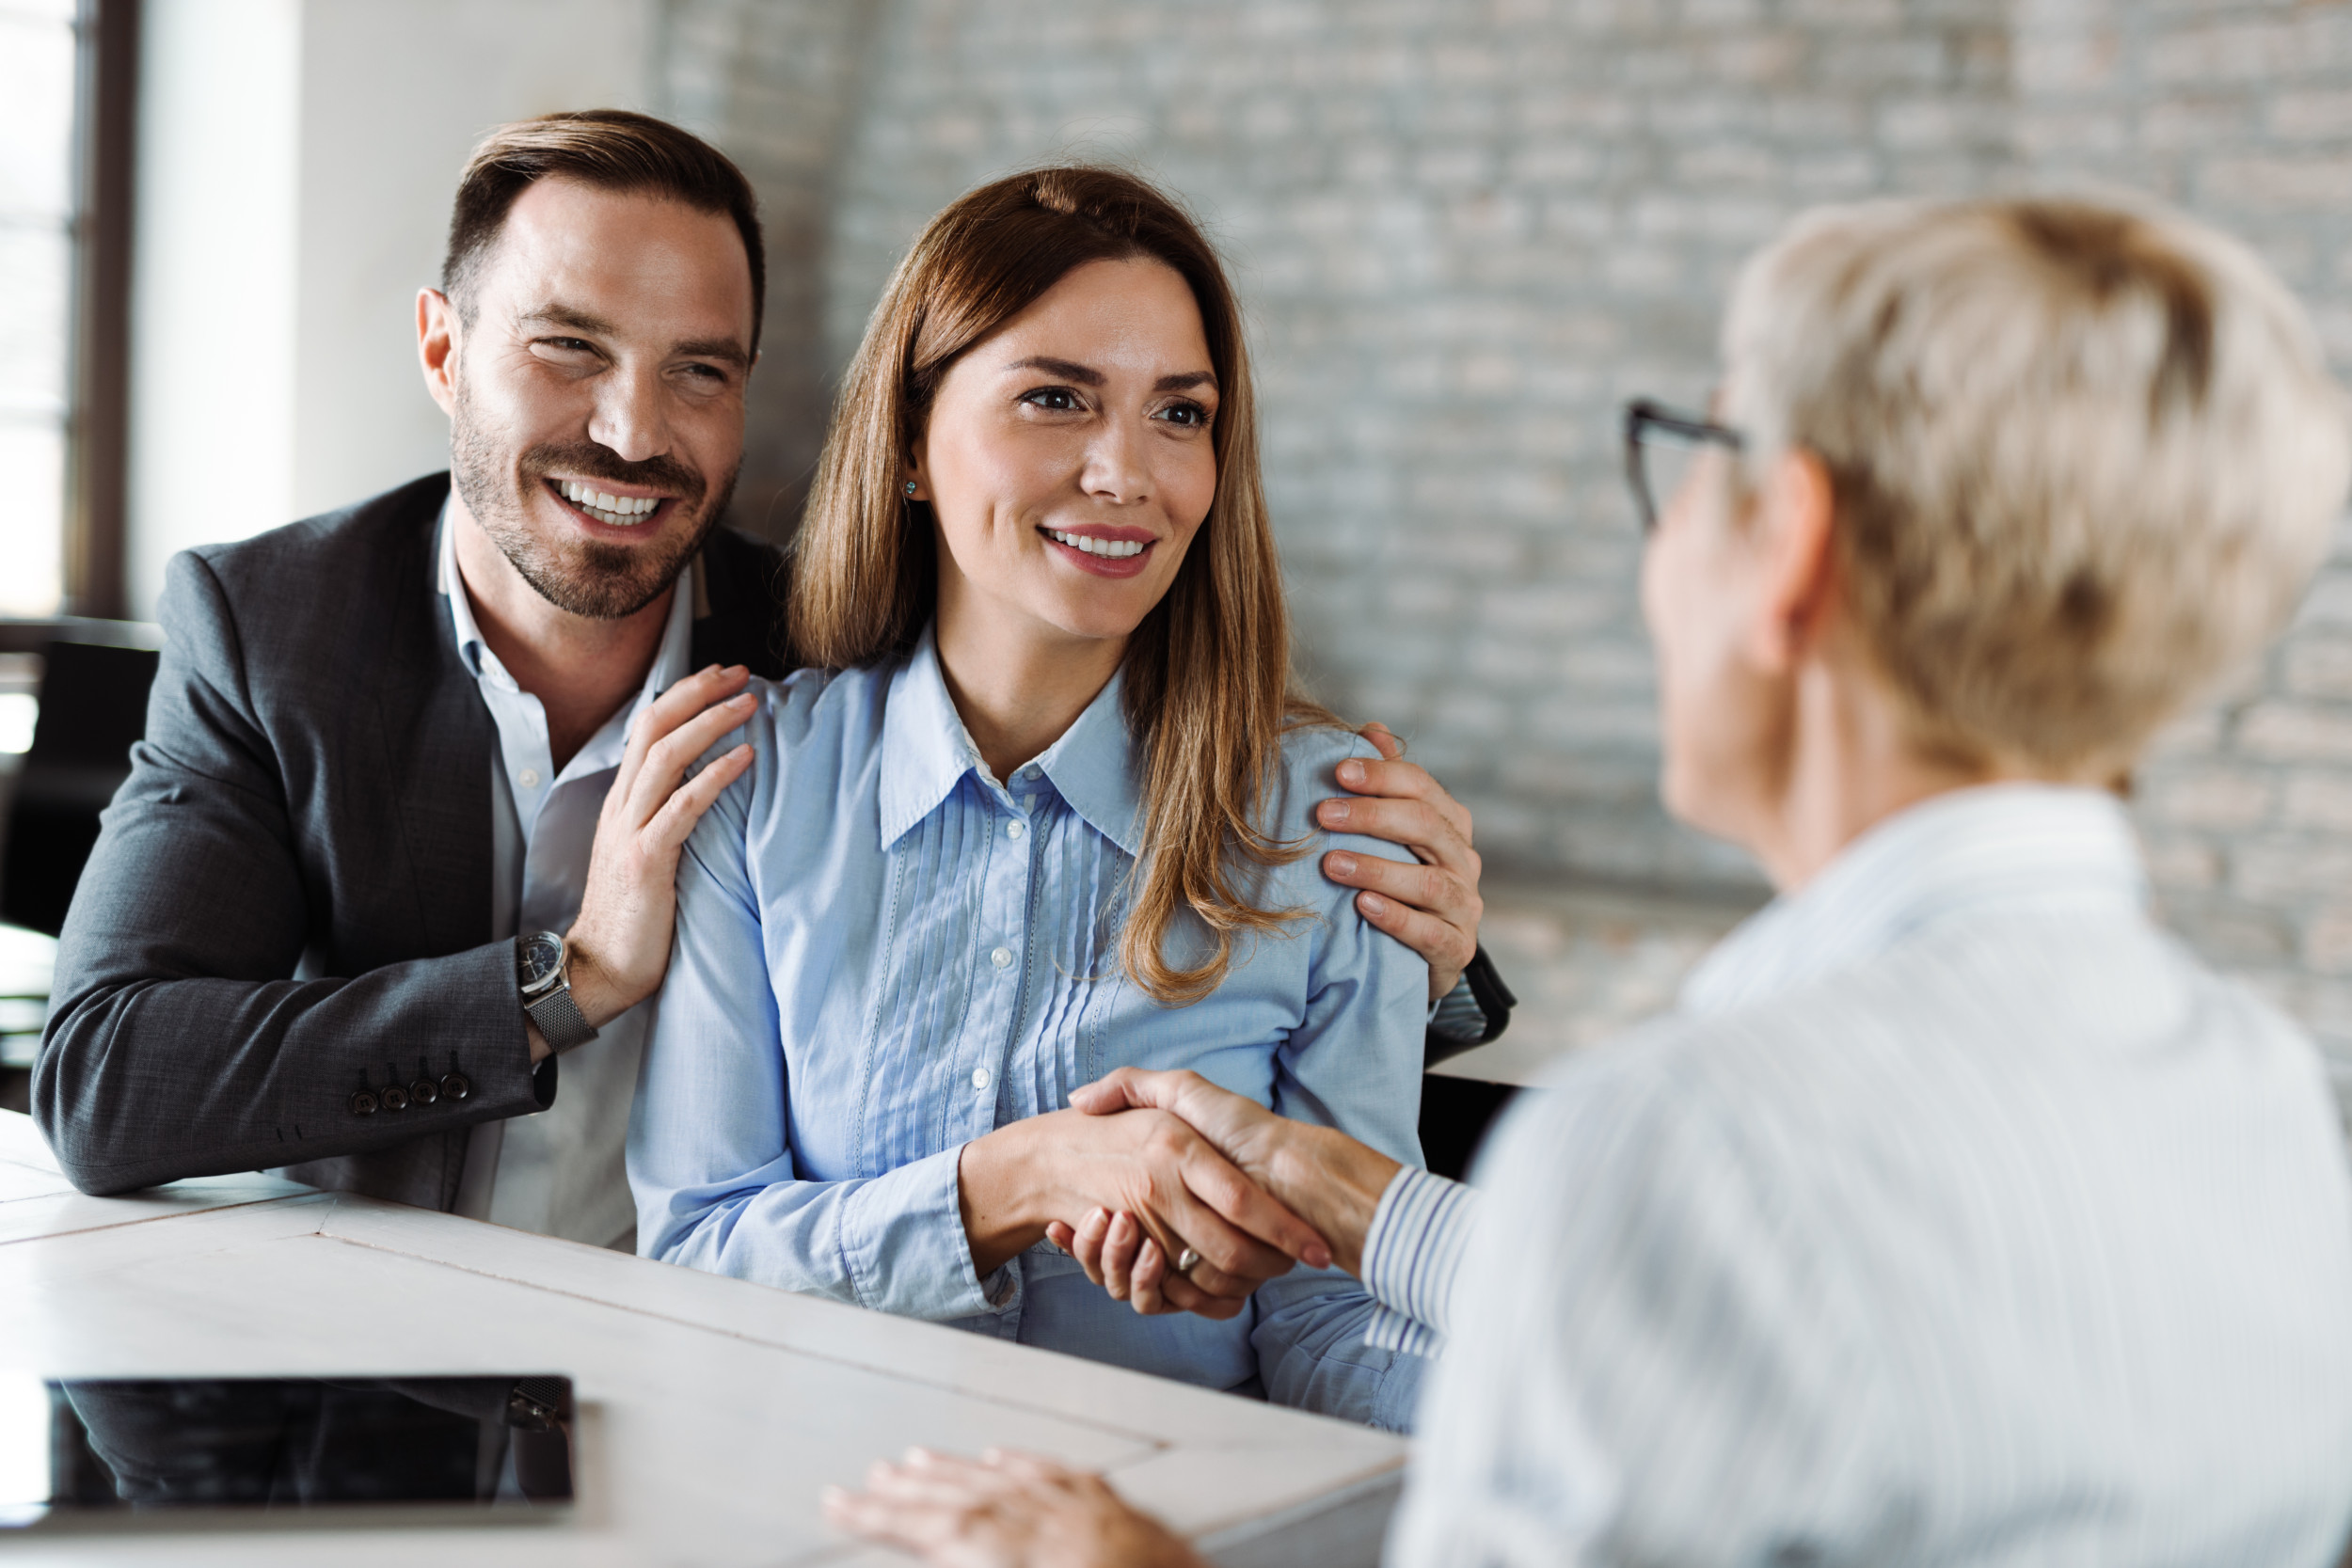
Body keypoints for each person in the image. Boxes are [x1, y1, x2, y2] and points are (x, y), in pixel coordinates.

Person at [828, 196, 2352, 1565]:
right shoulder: (2271, 1102)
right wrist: (1356, 1205)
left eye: (1698, 457)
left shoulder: (1684, 1143)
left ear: (1793, 547)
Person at [35, 112, 1497, 1253]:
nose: (632, 430)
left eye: (701, 372)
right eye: (568, 348)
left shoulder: (831, 647)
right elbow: (106, 1080)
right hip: (364, 1345)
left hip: (721, 1348)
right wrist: (568, 980)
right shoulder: (277, 623)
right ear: (443, 348)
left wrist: (1421, 960)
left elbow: (1134, 744)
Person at [627, 166, 1434, 1431]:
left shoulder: (1331, 820)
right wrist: (1006, 1187)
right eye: (1057, 398)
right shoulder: (756, 788)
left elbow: (1339, 1320)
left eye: (1180, 413)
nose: (1127, 472)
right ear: (908, 444)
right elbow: (696, 1257)